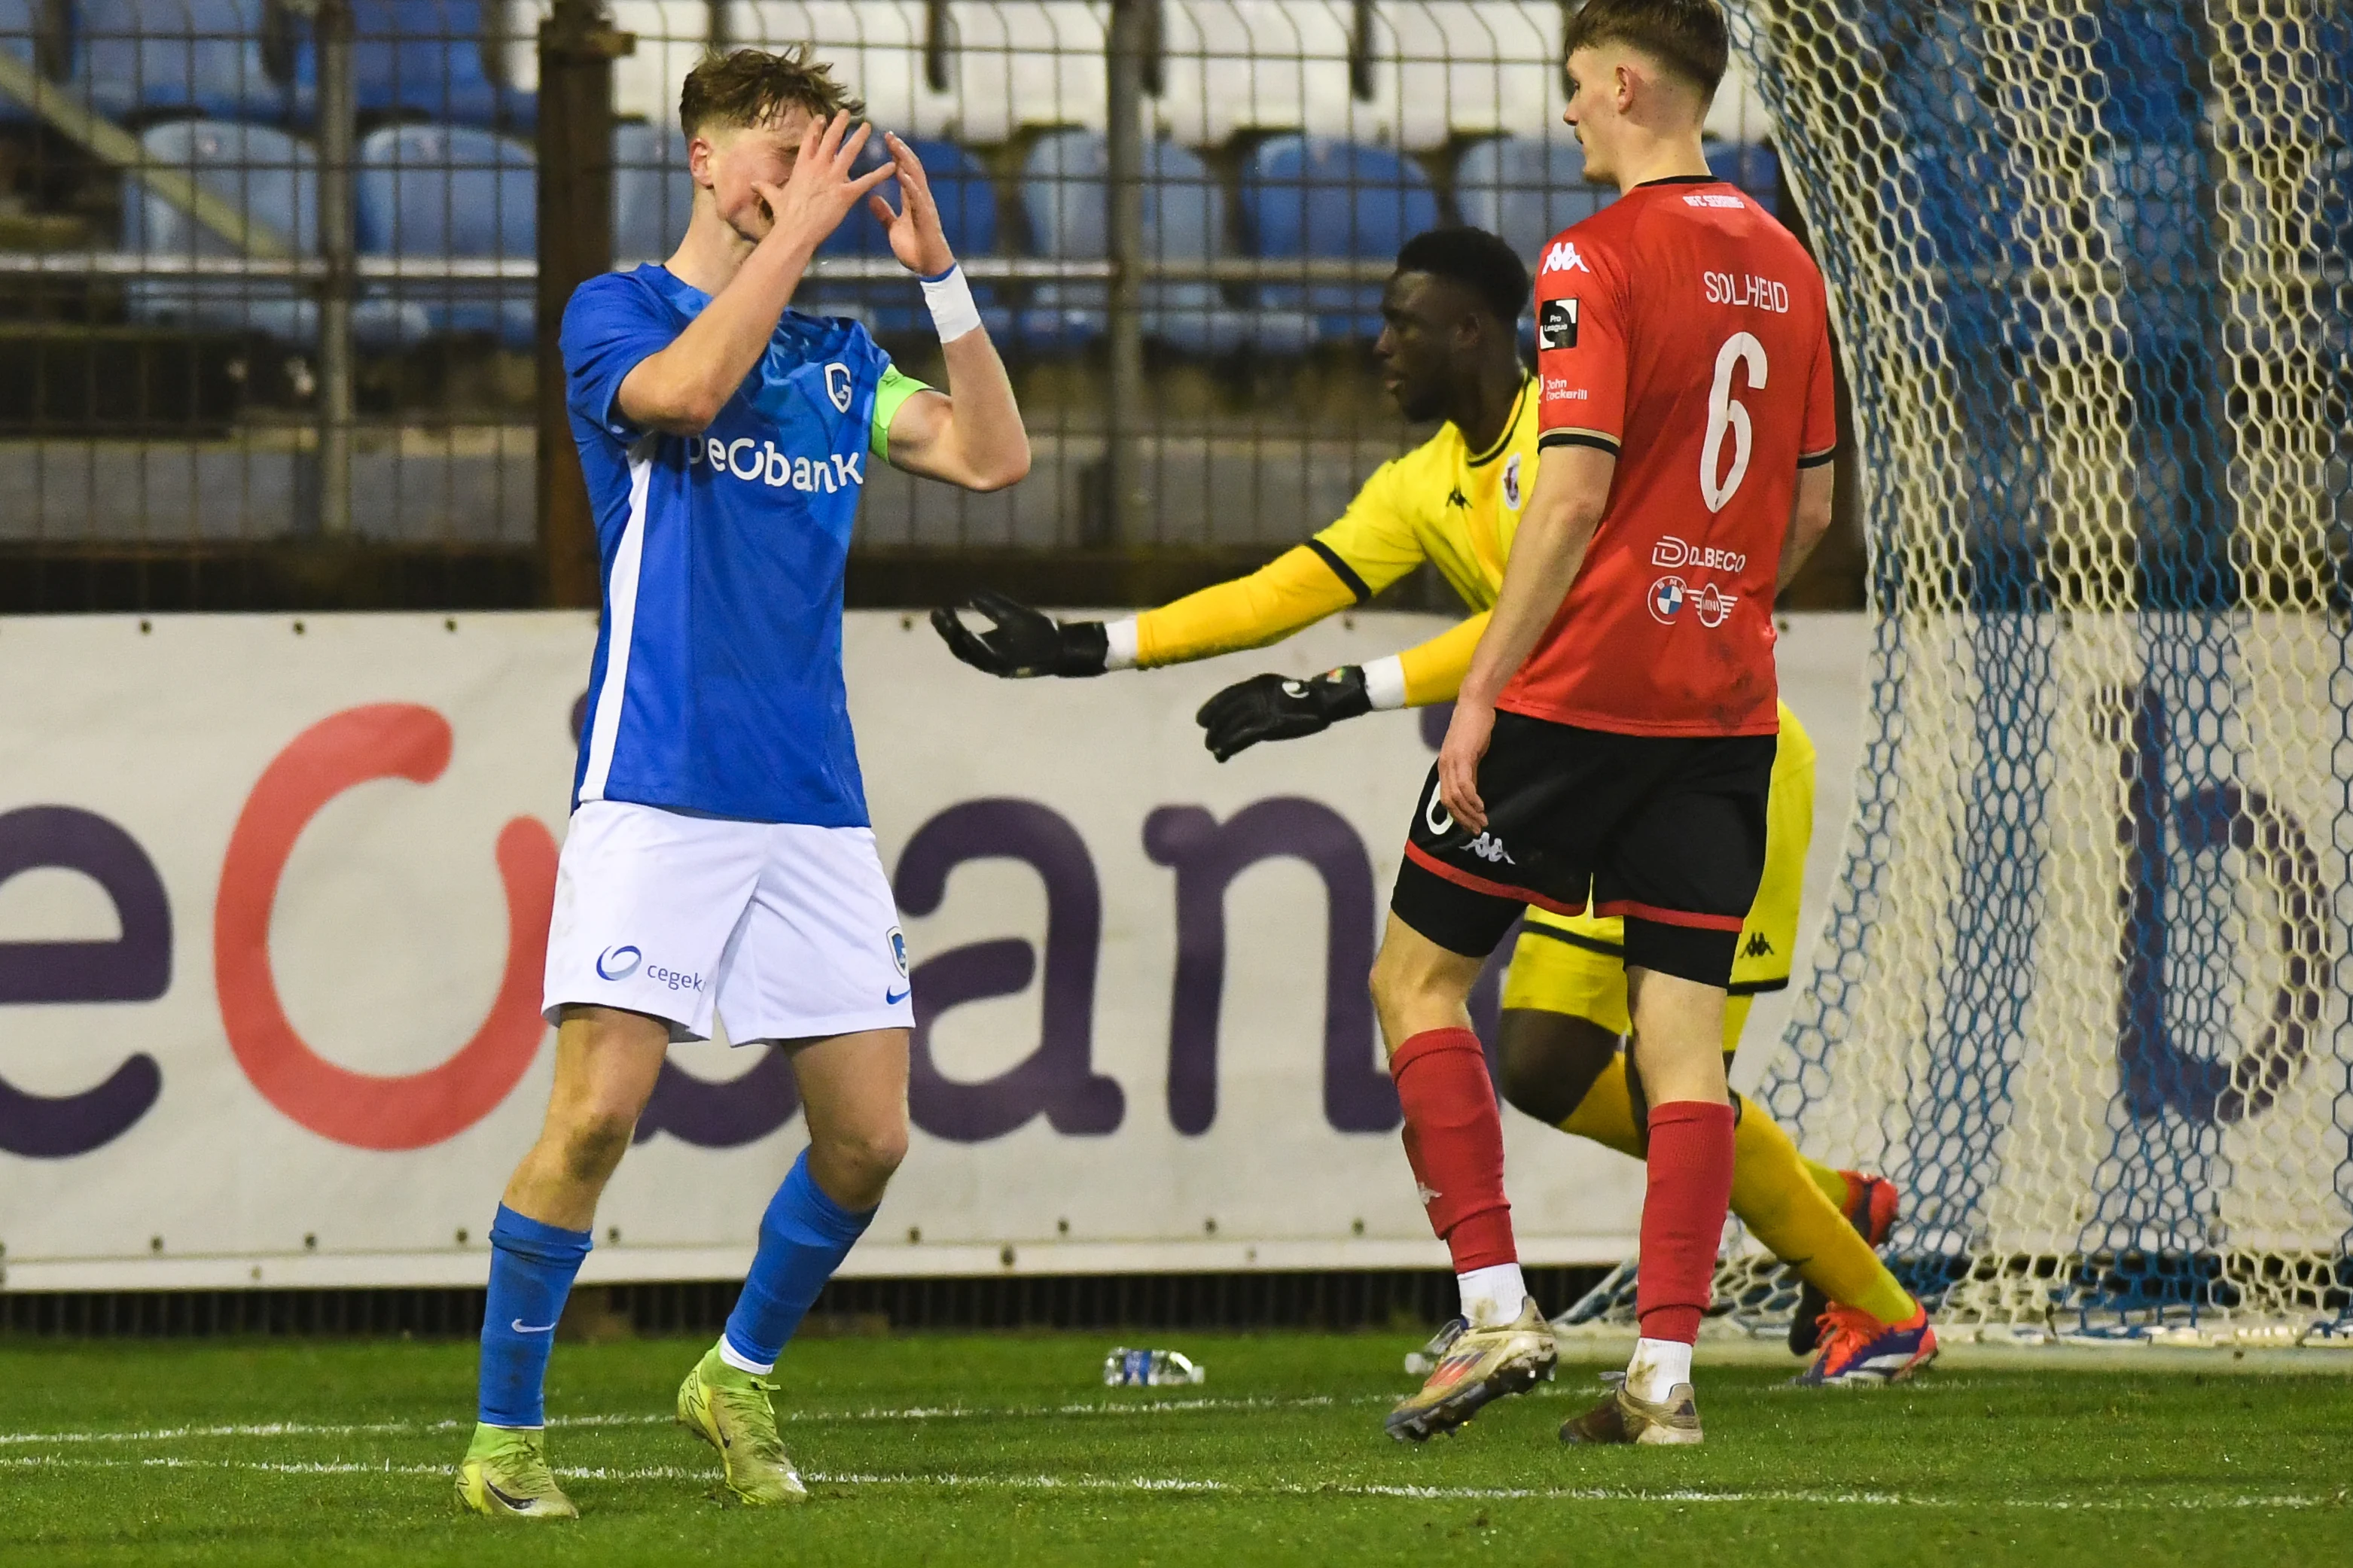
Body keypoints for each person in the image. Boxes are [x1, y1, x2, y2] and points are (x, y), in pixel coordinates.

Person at [931, 223, 1927, 1397]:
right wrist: (1088, 647)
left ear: (1475, 330)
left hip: (1708, 761)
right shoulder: (1426, 480)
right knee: (1549, 1061)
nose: (1380, 345)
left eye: (1406, 322)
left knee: (1667, 1073)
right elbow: (1287, 587)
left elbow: (1555, 603)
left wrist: (1349, 688)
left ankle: (1878, 1304)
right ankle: (1821, 1203)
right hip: (1587, 760)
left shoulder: (1573, 416)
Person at [455, 46, 1029, 1520]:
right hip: (655, 779)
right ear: (703, 162)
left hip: (809, 798)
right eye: (778, 153)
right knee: (595, 1116)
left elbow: (989, 457)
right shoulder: (617, 312)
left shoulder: (839, 353)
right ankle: (505, 1443)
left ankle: (733, 1374)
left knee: (870, 1137)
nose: (804, 180)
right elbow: (682, 397)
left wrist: (939, 277)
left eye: (818, 154)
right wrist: (789, 245)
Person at [1372, 0, 1931, 1448]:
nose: (1565, 112)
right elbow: (1807, 505)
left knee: (1416, 984)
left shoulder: (1590, 257)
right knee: (1686, 1056)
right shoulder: (1794, 266)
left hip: (1578, 696)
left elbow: (1567, 491)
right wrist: (1714, 602)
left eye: (1572, 86)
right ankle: (1664, 1386)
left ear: (1625, 82)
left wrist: (1484, 690)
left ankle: (1497, 1312)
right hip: (1724, 710)